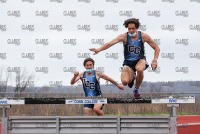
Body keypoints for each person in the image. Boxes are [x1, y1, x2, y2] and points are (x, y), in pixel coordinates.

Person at [89, 18, 160, 99]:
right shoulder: (124, 37)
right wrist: (99, 49)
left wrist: (155, 60)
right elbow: (110, 43)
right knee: (125, 82)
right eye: (129, 29)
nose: (131, 31)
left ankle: (136, 89)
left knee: (140, 69)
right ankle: (132, 76)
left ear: (136, 28)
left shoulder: (144, 36)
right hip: (128, 63)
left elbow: (156, 48)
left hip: (140, 60)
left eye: (133, 28)